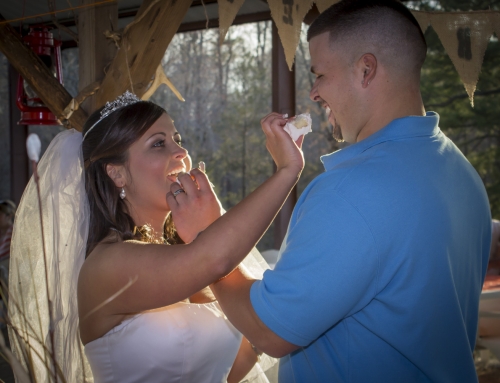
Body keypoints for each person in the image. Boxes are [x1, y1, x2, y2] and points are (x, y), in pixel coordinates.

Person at [208, 1, 492, 382]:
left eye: (320, 74)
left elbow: (269, 331)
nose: (313, 93)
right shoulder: (460, 170)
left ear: (366, 70)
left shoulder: (349, 191)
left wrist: (205, 243)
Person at [8, 92, 304, 383]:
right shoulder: (108, 264)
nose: (181, 153)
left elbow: (233, 365)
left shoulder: (186, 255)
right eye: (158, 143)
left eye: (177, 139)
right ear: (117, 174)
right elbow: (215, 260)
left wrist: (202, 237)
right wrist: (287, 170)